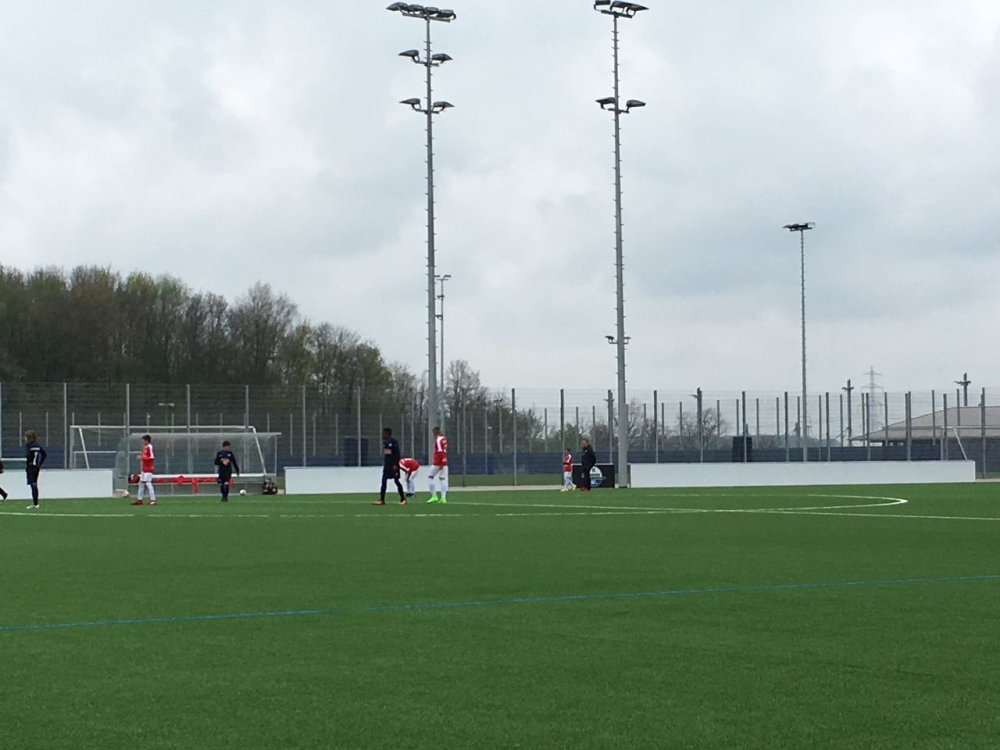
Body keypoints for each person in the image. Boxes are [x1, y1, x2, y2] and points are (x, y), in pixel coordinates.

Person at [375, 427, 406, 506]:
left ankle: (403, 499)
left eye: (383, 433)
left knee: (396, 481)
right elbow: (388, 455)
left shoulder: (393, 442)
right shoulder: (385, 443)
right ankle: (382, 499)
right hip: (387, 466)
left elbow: (397, 454)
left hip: (393, 466)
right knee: (383, 481)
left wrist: (395, 464)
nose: (382, 435)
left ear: (388, 434)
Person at [24, 431, 46, 509]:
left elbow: (29, 456)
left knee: (33, 484)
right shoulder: (37, 446)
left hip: (31, 467)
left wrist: (28, 464)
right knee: (34, 483)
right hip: (36, 467)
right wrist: (39, 464)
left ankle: (35, 503)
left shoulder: (29, 446)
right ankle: (35, 503)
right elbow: (44, 454)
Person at [427, 426, 449, 504]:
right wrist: (444, 462)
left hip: (438, 462)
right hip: (444, 461)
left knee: (430, 477)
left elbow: (440, 451)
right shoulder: (444, 439)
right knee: (442, 478)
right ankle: (443, 497)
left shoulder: (438, 440)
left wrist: (441, 463)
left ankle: (434, 496)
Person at [133, 434, 157, 506]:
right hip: (144, 468)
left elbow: (151, 457)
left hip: (149, 468)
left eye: (143, 440)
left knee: (148, 483)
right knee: (141, 483)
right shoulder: (145, 447)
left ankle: (153, 500)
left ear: (147, 441)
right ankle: (140, 499)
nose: (142, 442)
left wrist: (142, 458)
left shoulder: (149, 447)